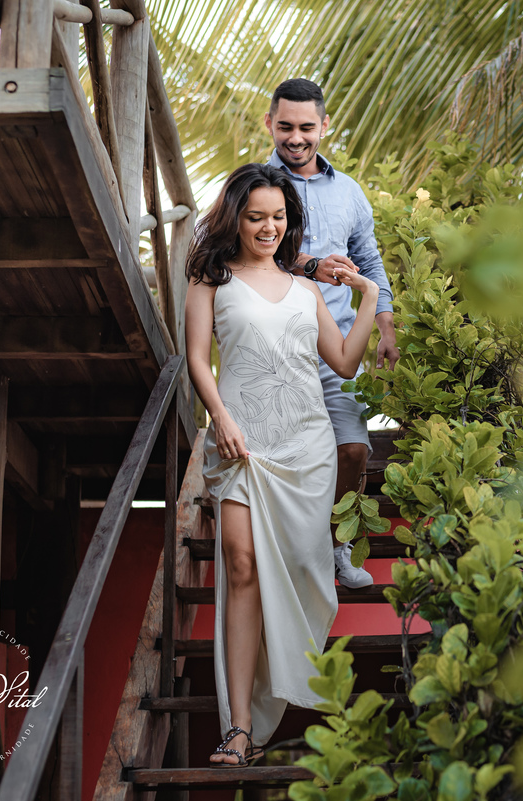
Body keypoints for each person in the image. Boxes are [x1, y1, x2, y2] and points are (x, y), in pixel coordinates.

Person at [183, 163, 381, 767]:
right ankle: (238, 729)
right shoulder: (210, 279)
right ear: (235, 219)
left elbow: (345, 363)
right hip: (243, 443)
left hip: (306, 447)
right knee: (240, 565)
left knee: (296, 567)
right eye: (255, 217)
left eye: (278, 217)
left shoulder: (306, 290)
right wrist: (220, 416)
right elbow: (196, 359)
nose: (269, 227)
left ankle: (276, 690)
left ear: (289, 220)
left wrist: (368, 297)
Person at [264, 78, 401, 589]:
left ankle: (336, 547)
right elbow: (243, 248)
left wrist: (385, 323)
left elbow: (369, 259)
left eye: (305, 127)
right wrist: (310, 264)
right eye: (285, 127)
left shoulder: (349, 191)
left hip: (339, 346)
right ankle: (289, 555)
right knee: (290, 459)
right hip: (278, 347)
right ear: (269, 124)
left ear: (324, 126)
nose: (295, 138)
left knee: (354, 450)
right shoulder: (254, 183)